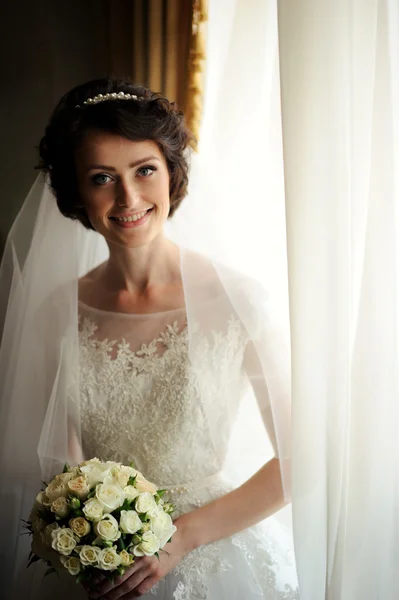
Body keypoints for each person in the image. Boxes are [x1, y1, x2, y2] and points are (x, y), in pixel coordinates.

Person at [0, 77, 299, 599]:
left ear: (172, 173)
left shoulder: (237, 300)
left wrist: (183, 537)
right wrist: (77, 538)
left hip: (213, 558)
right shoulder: (56, 313)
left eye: (144, 170)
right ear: (77, 194)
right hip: (100, 569)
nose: (129, 197)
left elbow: (302, 460)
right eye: (102, 178)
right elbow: (55, 468)